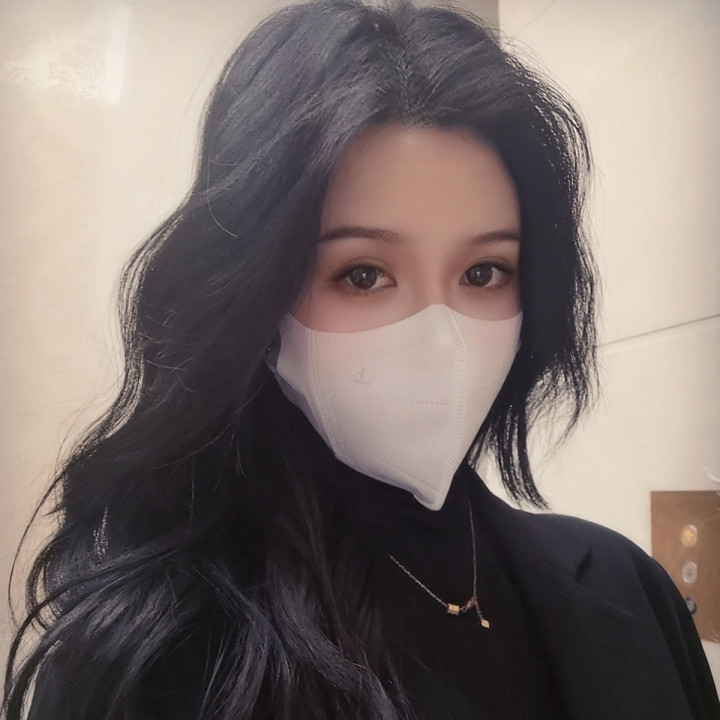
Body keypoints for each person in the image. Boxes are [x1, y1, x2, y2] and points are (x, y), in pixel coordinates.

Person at [4, 1, 719, 718]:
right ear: (257, 299)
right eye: (364, 274)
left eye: (483, 273)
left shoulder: (633, 589)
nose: (441, 340)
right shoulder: (149, 661)